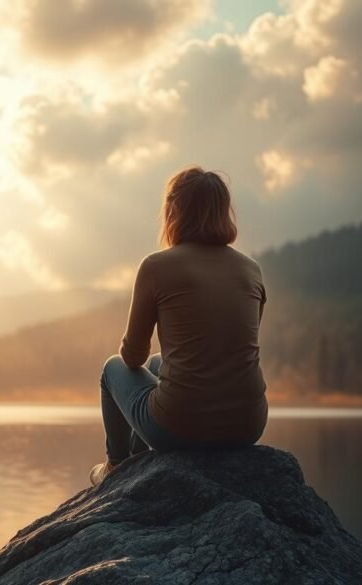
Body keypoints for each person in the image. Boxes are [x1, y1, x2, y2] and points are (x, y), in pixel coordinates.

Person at [90, 166, 268, 486]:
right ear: (223, 212)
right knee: (159, 363)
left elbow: (132, 357)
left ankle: (117, 466)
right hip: (248, 425)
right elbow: (230, 351)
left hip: (181, 426)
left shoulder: (157, 266)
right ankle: (138, 462)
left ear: (173, 210)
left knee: (111, 368)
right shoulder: (251, 270)